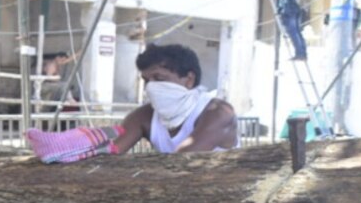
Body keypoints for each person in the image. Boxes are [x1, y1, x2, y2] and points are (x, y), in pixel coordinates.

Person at [26, 43, 237, 163]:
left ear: (188, 79)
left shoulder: (217, 112)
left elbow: (183, 163)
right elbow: (111, 148)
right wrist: (72, 145)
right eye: (146, 81)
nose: (151, 88)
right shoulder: (145, 116)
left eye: (159, 79)